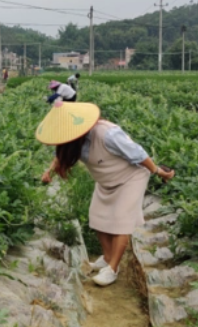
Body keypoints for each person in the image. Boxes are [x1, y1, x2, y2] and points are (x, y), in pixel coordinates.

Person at [37, 100, 174, 286]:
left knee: (120, 220)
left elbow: (138, 153)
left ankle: (113, 269)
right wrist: (49, 172)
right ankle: (108, 257)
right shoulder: (70, 140)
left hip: (130, 178)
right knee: (98, 219)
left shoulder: (107, 134)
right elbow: (60, 156)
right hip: (106, 181)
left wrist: (158, 171)